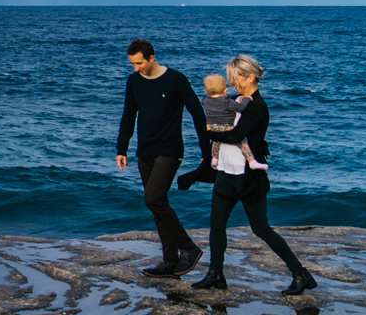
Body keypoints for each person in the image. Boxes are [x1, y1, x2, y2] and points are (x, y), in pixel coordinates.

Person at [191, 54, 316, 297]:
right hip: (226, 173)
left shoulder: (257, 106)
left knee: (261, 229)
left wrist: (208, 132)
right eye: (230, 79)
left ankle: (301, 274)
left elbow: (236, 136)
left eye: (236, 78)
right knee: (216, 225)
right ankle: (216, 274)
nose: (233, 83)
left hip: (249, 178)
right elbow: (224, 130)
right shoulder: (235, 101)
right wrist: (208, 154)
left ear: (250, 77)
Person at [114, 38, 210, 277]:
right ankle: (170, 261)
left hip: (170, 149)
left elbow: (198, 114)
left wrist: (206, 151)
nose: (136, 68)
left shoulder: (176, 79)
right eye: (132, 64)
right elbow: (128, 115)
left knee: (153, 199)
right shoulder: (134, 81)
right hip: (144, 150)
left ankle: (188, 247)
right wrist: (121, 149)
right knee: (158, 204)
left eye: (139, 63)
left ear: (152, 57)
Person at [176, 74, 255, 189]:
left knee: (216, 142)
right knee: (242, 142)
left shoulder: (205, 100)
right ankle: (251, 160)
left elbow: (214, 102)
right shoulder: (227, 101)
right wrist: (247, 99)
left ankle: (214, 159)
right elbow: (240, 107)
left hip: (211, 128)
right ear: (225, 89)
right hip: (225, 127)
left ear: (207, 90)